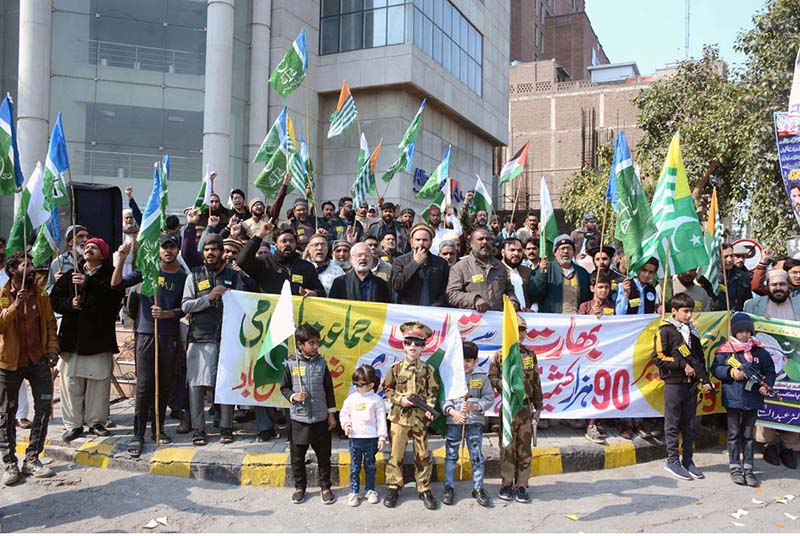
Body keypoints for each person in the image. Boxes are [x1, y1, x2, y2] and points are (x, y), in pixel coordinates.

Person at [112, 236, 187, 456]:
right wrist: (121, 259)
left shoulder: (183, 278)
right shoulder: (146, 272)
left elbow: (186, 307)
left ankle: (159, 428)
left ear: (177, 250)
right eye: (164, 247)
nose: (168, 251)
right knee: (144, 385)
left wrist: (168, 314)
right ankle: (137, 433)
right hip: (146, 335)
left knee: (164, 383)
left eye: (172, 247)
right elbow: (116, 284)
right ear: (159, 250)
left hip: (169, 336)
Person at [50, 238, 124, 442]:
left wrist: (88, 284)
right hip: (72, 340)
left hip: (98, 339)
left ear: (103, 255)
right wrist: (69, 304)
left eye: (94, 247)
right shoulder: (70, 275)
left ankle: (96, 422)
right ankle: (73, 425)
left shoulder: (110, 275)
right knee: (70, 384)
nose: (89, 249)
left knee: (98, 385)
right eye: (86, 247)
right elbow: (54, 301)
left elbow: (113, 301)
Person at [0, 252, 59, 485]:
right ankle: (10, 463)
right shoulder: (4, 294)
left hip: (39, 361)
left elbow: (50, 324)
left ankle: (32, 458)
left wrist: (53, 350)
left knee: (43, 409)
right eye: (26, 264)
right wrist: (16, 305)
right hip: (10, 363)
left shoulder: (42, 294)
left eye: (32, 264)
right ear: (13, 270)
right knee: (6, 414)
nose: (32, 268)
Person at [181, 234, 243, 446]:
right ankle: (199, 429)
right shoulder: (194, 275)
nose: (210, 253)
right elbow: (185, 306)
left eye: (214, 250)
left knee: (226, 384)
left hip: (227, 338)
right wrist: (209, 298)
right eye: (206, 250)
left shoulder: (233, 276)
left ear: (221, 253)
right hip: (199, 337)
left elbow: (243, 305)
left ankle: (226, 426)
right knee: (196, 386)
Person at [653, 292, 713, 481]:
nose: (688, 315)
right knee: (672, 423)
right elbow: (658, 357)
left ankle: (688, 459)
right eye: (685, 311)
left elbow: (698, 358)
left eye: (690, 311)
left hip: (691, 384)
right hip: (674, 383)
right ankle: (672, 460)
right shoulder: (665, 330)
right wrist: (682, 365)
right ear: (674, 311)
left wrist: (705, 379)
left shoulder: (693, 331)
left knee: (690, 424)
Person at [744, 269, 800, 469]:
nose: (778, 288)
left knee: (791, 404)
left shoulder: (798, 305)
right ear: (767, 286)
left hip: (793, 370)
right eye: (774, 284)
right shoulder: (754, 305)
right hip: (764, 368)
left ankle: (789, 448)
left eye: (782, 285)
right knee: (765, 404)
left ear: (788, 287)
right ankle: (768, 445)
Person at [712, 313, 776, 487]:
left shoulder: (759, 351)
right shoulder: (726, 350)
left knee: (748, 435)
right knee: (733, 435)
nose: (745, 335)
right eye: (741, 331)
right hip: (733, 398)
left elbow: (770, 370)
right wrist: (731, 373)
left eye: (748, 331)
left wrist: (766, 385)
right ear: (734, 331)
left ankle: (748, 468)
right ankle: (735, 468)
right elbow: (716, 369)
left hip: (753, 399)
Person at [381, 321, 439, 510]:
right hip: (399, 418)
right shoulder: (396, 368)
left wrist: (430, 408)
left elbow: (433, 392)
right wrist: (400, 399)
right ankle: (393, 486)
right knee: (396, 454)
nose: (413, 346)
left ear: (424, 347)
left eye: (418, 343)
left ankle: (424, 488)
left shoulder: (428, 370)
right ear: (404, 345)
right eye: (409, 342)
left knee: (422, 455)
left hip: (420, 420)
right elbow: (386, 390)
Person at [280, 323, 337, 505]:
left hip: (320, 418)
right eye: (311, 343)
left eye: (316, 343)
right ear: (300, 344)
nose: (315, 346)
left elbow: (329, 390)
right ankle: (299, 487)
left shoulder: (322, 364)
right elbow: (284, 388)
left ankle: (326, 487)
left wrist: (331, 414)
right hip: (299, 419)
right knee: (297, 457)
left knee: (324, 456)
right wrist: (294, 396)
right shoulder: (290, 364)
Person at [488, 314, 543, 503]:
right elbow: (491, 377)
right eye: (516, 330)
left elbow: (536, 381)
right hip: (508, 408)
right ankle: (506, 483)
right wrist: (502, 384)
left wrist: (539, 406)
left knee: (524, 449)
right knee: (507, 447)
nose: (520, 334)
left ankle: (521, 485)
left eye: (523, 330)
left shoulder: (530, 355)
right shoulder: (501, 354)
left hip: (525, 408)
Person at [441, 340, 493, 508]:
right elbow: (443, 399)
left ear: (475, 361)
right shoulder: (451, 376)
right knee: (451, 455)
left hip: (474, 422)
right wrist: (453, 412)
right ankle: (448, 486)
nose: (464, 364)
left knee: (477, 455)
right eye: (462, 360)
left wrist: (475, 405)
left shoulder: (481, 376)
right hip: (454, 422)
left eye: (468, 361)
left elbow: (489, 398)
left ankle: (478, 487)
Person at [339, 365, 387, 507]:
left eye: (360, 384)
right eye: (354, 383)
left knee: (370, 466)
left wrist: (382, 437)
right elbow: (344, 414)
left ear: (371, 384)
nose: (356, 387)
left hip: (371, 439)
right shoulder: (351, 399)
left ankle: (370, 490)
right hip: (355, 438)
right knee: (355, 467)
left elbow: (381, 420)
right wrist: (346, 425)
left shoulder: (376, 400)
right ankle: (354, 491)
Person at [578, 272, 614, 445]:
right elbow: (579, 326)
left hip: (607, 353)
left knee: (603, 387)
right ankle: (590, 424)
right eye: (600, 287)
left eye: (606, 287)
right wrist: (592, 317)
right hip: (587, 355)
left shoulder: (612, 306)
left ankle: (597, 421)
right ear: (592, 288)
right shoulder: (585, 306)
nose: (603, 291)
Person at [238, 225, 324, 296]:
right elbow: (242, 261)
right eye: (284, 241)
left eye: (291, 241)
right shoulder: (264, 262)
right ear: (275, 245)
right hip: (270, 313)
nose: (288, 244)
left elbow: (321, 292)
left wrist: (314, 293)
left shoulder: (306, 266)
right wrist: (259, 236)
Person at [447, 228, 519, 312]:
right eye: (480, 239)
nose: (485, 242)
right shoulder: (460, 267)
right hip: (473, 322)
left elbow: (509, 290)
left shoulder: (500, 266)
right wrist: (474, 300)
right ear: (471, 244)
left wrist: (513, 300)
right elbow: (451, 295)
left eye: (488, 239)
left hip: (498, 320)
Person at [528, 235, 592, 314]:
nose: (566, 251)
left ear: (574, 252)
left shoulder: (582, 273)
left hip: (577, 321)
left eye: (569, 248)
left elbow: (588, 298)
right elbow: (534, 295)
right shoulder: (546, 269)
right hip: (554, 321)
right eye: (562, 248)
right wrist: (541, 274)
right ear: (555, 252)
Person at [391, 224, 449, 306]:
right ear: (411, 242)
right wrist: (415, 263)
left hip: (434, 312)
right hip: (408, 312)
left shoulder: (441, 263)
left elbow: (446, 291)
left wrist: (434, 307)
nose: (421, 243)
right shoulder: (400, 261)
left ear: (431, 243)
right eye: (418, 240)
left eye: (425, 240)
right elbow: (397, 285)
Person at [46, 225, 89, 293]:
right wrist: (58, 284)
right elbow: (47, 291)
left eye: (87, 237)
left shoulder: (92, 260)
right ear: (70, 242)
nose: (85, 240)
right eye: (80, 236)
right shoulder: (58, 262)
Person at [501, 238, 532, 311]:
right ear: (503, 252)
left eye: (519, 250)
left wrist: (533, 309)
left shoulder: (528, 272)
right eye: (512, 250)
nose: (516, 253)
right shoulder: (496, 271)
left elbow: (536, 295)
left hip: (528, 317)